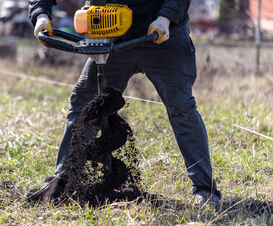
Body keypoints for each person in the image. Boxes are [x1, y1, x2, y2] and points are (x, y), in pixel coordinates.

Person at [26, 0, 222, 206]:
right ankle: (63, 183)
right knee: (85, 103)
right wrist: (41, 15)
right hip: (111, 34)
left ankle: (205, 190)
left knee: (182, 108)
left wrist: (166, 18)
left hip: (162, 34)